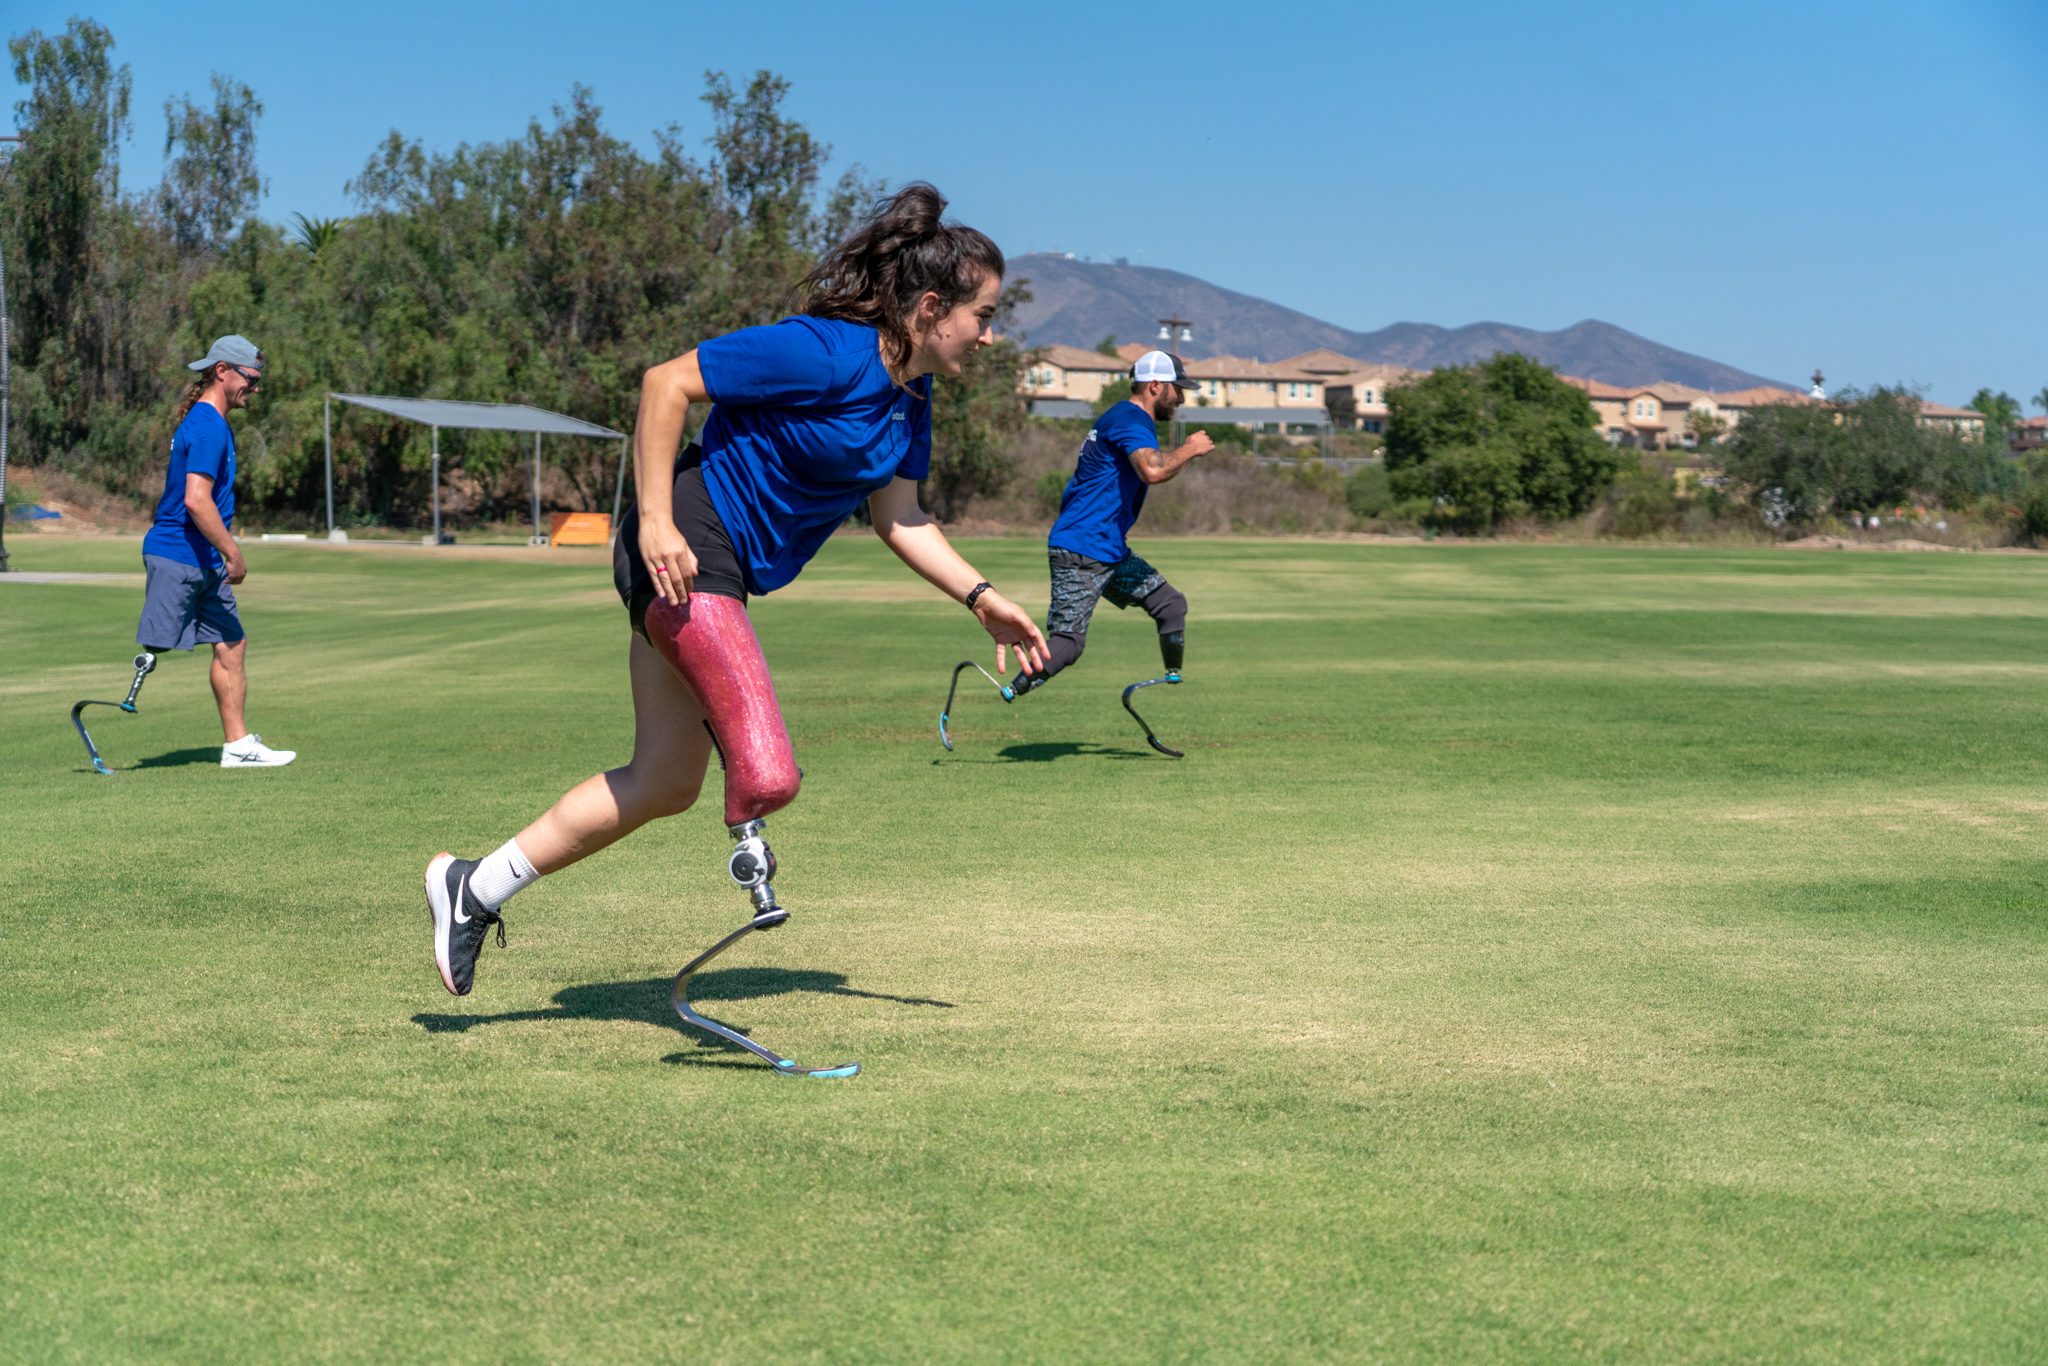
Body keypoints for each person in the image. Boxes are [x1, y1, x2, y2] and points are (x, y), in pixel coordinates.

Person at [424, 184, 1048, 997]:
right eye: (984, 317)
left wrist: (981, 596)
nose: (990, 337)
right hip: (684, 544)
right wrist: (654, 520)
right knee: (766, 772)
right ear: (933, 308)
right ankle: (741, 844)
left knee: (665, 781)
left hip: (719, 579)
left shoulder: (911, 400)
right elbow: (665, 384)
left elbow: (900, 516)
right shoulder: (826, 351)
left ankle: (470, 889)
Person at [1008, 349, 1211, 698]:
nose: (1181, 397)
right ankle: (1012, 685)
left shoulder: (1127, 419)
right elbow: (1153, 469)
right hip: (1083, 550)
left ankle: (1172, 680)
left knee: (1170, 604)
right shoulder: (1130, 420)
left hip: (1108, 551)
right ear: (1155, 386)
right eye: (1178, 389)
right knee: (1069, 643)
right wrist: (1190, 448)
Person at [138, 335, 297, 769]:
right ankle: (122, 698)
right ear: (223, 370)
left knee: (232, 644)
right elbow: (196, 499)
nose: (256, 388)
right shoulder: (208, 425)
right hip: (181, 554)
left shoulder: (209, 421)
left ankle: (238, 746)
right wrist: (235, 553)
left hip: (200, 557)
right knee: (155, 649)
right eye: (252, 378)